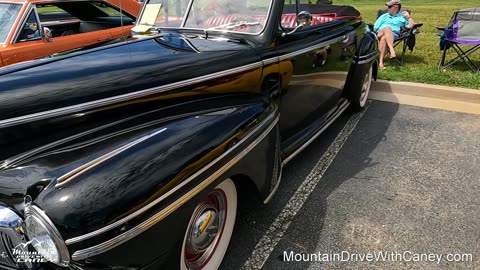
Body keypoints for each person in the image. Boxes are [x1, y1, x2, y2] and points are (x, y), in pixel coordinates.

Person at [373, 0, 414, 69]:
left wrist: (408, 17)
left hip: (394, 35)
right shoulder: (384, 16)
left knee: (384, 38)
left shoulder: (402, 17)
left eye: (389, 7)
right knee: (387, 28)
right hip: (380, 33)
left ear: (395, 7)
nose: (387, 8)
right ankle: (392, 50)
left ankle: (380, 62)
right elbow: (375, 27)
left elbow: (412, 26)